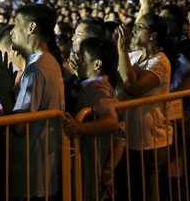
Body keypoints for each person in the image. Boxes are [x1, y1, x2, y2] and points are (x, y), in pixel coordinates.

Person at [0, 4, 65, 201]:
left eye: (16, 24)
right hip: (41, 169)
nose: (12, 31)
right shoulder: (49, 62)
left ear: (31, 28)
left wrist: (3, 92)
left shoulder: (36, 69)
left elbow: (19, 126)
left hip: (32, 174)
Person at [113, 10, 174, 201]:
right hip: (128, 136)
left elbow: (133, 87)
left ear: (153, 35)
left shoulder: (160, 62)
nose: (134, 31)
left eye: (139, 28)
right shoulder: (134, 56)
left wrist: (121, 50)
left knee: (148, 191)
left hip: (150, 139)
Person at [63, 36, 119, 201]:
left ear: (97, 64)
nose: (77, 61)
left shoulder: (97, 88)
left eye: (82, 57)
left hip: (92, 162)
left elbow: (111, 121)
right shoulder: (91, 84)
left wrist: (79, 128)